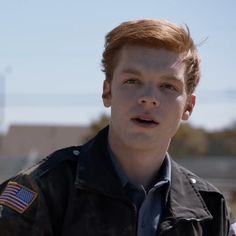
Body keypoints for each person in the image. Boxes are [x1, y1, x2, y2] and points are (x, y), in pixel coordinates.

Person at [0, 19, 235, 236]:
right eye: (132, 81)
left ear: (188, 107)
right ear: (107, 91)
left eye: (168, 86)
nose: (149, 98)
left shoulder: (208, 208)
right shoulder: (43, 190)